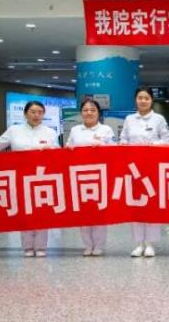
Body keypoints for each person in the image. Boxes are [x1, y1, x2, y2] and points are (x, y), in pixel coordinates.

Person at [0, 101, 58, 257]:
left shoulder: (50, 132)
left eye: (40, 112)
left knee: (42, 212)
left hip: (42, 177)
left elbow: (58, 152)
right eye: (33, 112)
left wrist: (51, 149)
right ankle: (28, 247)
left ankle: (41, 247)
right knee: (25, 212)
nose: (36, 115)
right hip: (20, 177)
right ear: (25, 114)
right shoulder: (14, 131)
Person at [121, 87, 169, 257]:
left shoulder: (158, 119)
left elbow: (168, 140)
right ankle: (138, 244)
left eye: (146, 98)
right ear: (135, 100)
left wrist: (154, 145)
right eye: (140, 98)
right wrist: (124, 144)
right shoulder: (129, 119)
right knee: (135, 205)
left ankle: (150, 244)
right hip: (133, 168)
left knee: (151, 205)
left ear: (151, 101)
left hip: (152, 167)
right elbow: (123, 139)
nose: (143, 101)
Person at [66, 98, 116, 256]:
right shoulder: (75, 130)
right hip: (80, 177)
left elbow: (115, 150)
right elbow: (67, 147)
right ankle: (87, 244)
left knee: (99, 211)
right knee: (84, 212)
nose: (89, 113)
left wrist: (103, 146)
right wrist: (69, 148)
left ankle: (99, 245)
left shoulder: (106, 130)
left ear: (98, 113)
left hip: (100, 176)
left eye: (93, 110)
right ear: (81, 113)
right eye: (85, 110)